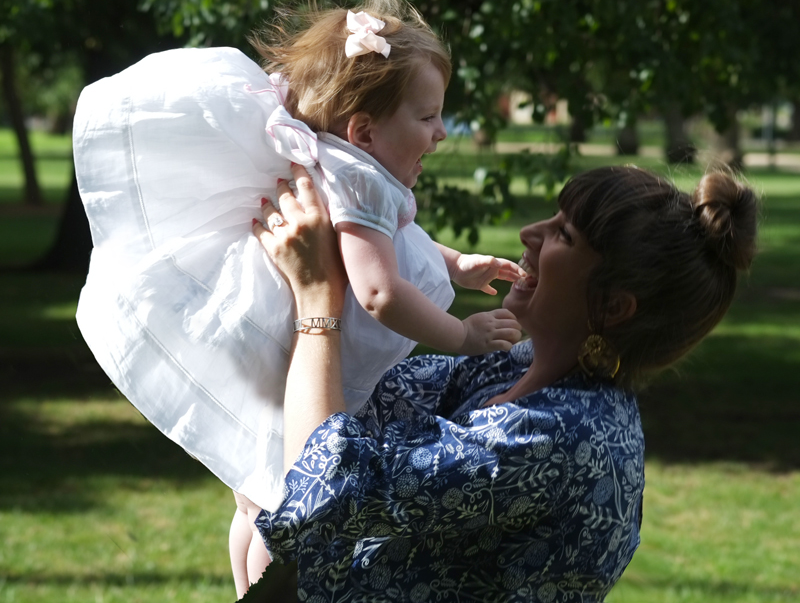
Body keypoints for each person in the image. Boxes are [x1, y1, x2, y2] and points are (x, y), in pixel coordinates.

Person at [72, 0, 523, 597]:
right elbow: (379, 291)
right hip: (295, 355)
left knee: (255, 494)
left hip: (265, 347)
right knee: (285, 501)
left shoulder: (345, 168)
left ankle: (244, 582)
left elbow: (396, 244)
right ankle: (263, 580)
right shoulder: (363, 185)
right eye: (427, 116)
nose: (442, 132)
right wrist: (462, 334)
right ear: (364, 130)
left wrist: (454, 264)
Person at [253, 162, 758, 601]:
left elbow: (326, 494)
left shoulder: (562, 436)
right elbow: (372, 399)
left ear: (613, 306)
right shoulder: (517, 365)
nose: (529, 233)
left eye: (564, 235)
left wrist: (318, 298)